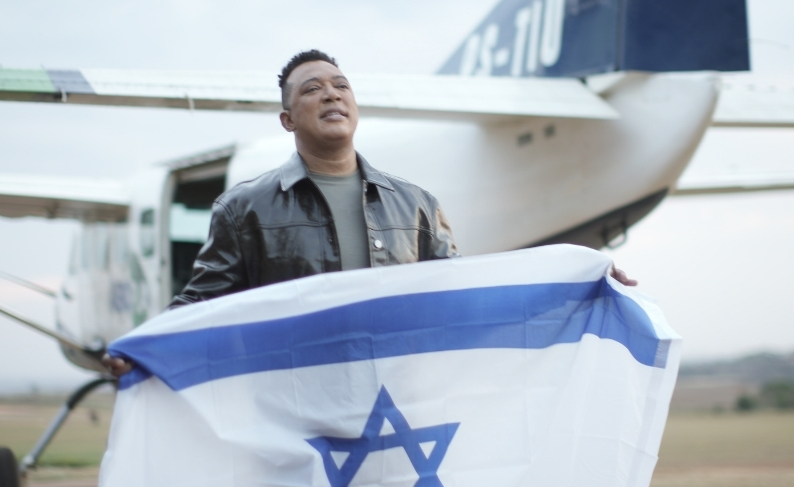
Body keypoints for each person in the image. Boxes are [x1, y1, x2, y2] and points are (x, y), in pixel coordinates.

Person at [103, 49, 636, 377]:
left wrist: (576, 277)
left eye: (341, 86)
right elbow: (199, 305)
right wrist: (141, 347)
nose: (331, 95)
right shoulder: (244, 209)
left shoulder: (417, 204)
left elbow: (461, 295)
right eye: (312, 89)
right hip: (292, 405)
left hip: (395, 402)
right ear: (287, 119)